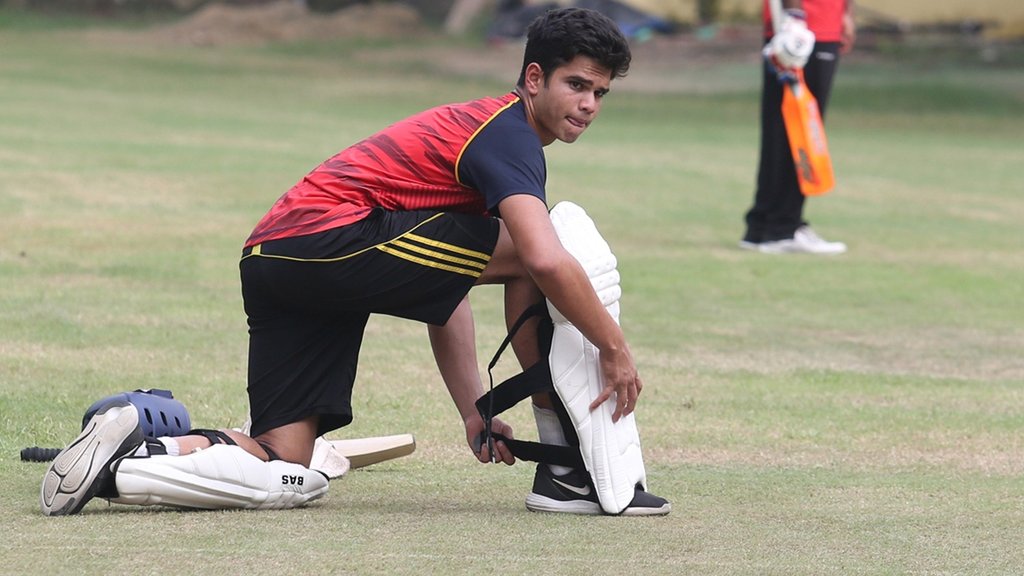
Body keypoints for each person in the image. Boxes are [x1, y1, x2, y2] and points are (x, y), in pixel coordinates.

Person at [40, 7, 670, 517]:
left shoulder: (486, 139)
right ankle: (563, 465)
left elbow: (443, 293)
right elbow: (542, 260)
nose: (588, 104)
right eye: (576, 84)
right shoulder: (506, 134)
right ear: (534, 78)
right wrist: (614, 349)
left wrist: (475, 408)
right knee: (543, 251)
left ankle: (125, 460)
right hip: (327, 242)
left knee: (283, 463)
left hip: (275, 261)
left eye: (601, 93)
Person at [740, 0, 856, 254]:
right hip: (803, 25)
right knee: (798, 125)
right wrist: (795, 14)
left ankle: (762, 226)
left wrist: (845, 11)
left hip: (819, 20)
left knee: (783, 125)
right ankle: (783, 228)